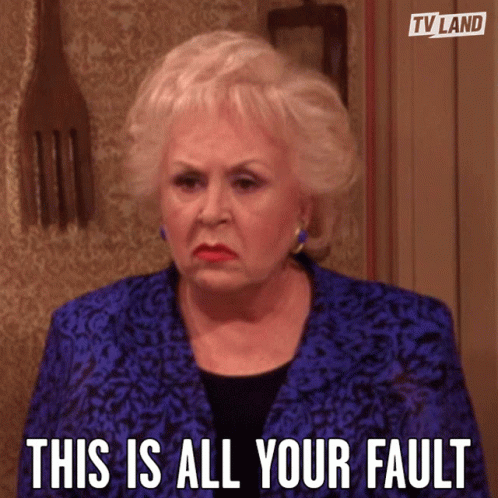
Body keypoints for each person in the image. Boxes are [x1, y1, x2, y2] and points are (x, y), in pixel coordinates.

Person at [18, 30, 489, 498]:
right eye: (188, 182)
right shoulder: (87, 337)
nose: (211, 212)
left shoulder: (407, 338)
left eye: (245, 182)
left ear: (304, 204)